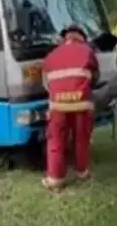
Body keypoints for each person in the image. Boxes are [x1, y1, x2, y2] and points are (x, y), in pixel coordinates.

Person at [42, 24, 99, 191]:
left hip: (58, 105)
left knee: (56, 140)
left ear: (65, 37)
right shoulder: (88, 51)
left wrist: (59, 94)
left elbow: (46, 83)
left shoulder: (51, 55)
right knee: (82, 138)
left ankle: (54, 179)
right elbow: (95, 77)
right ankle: (82, 172)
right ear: (82, 37)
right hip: (82, 103)